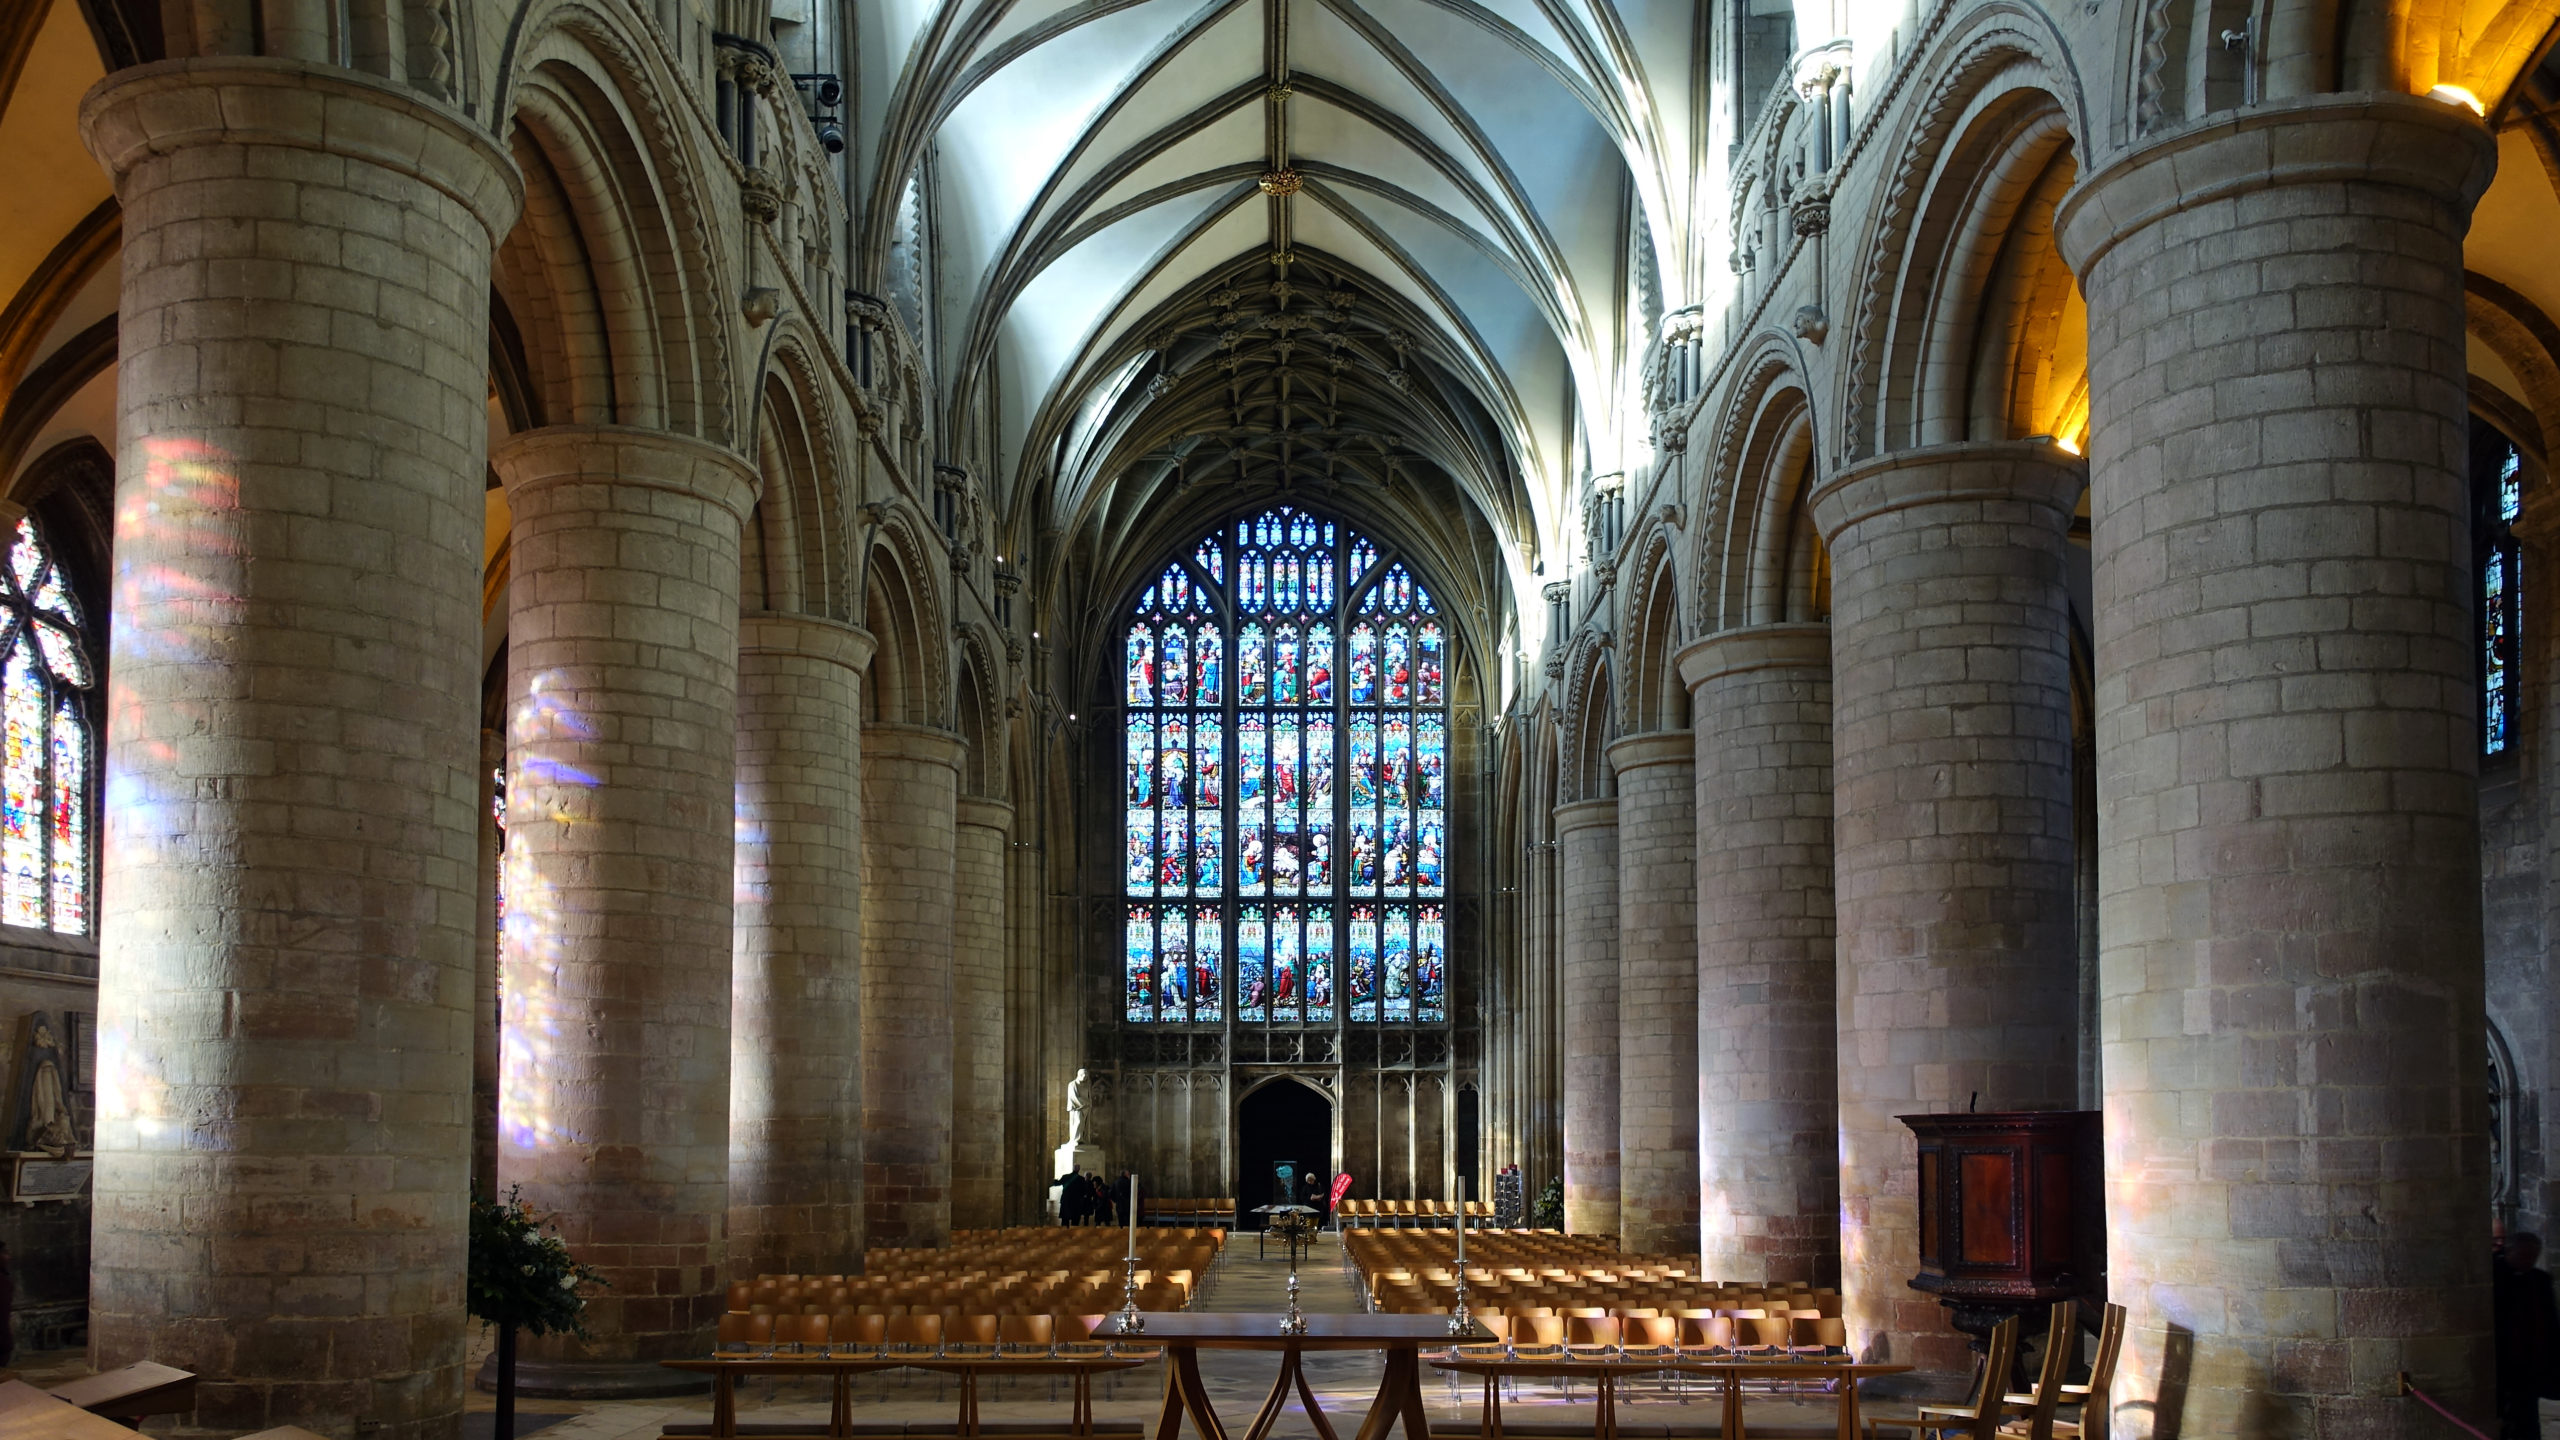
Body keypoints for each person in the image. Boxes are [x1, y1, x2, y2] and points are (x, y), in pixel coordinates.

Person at [2497, 1232, 2560, 1436]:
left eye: (2532, 1257)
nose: (2528, 1261)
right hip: (2502, 1361)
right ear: (2509, 1252)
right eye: (2523, 1255)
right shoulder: (2495, 1276)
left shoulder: (2540, 1280)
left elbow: (2550, 1322)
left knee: (2528, 1416)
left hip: (2531, 1363)